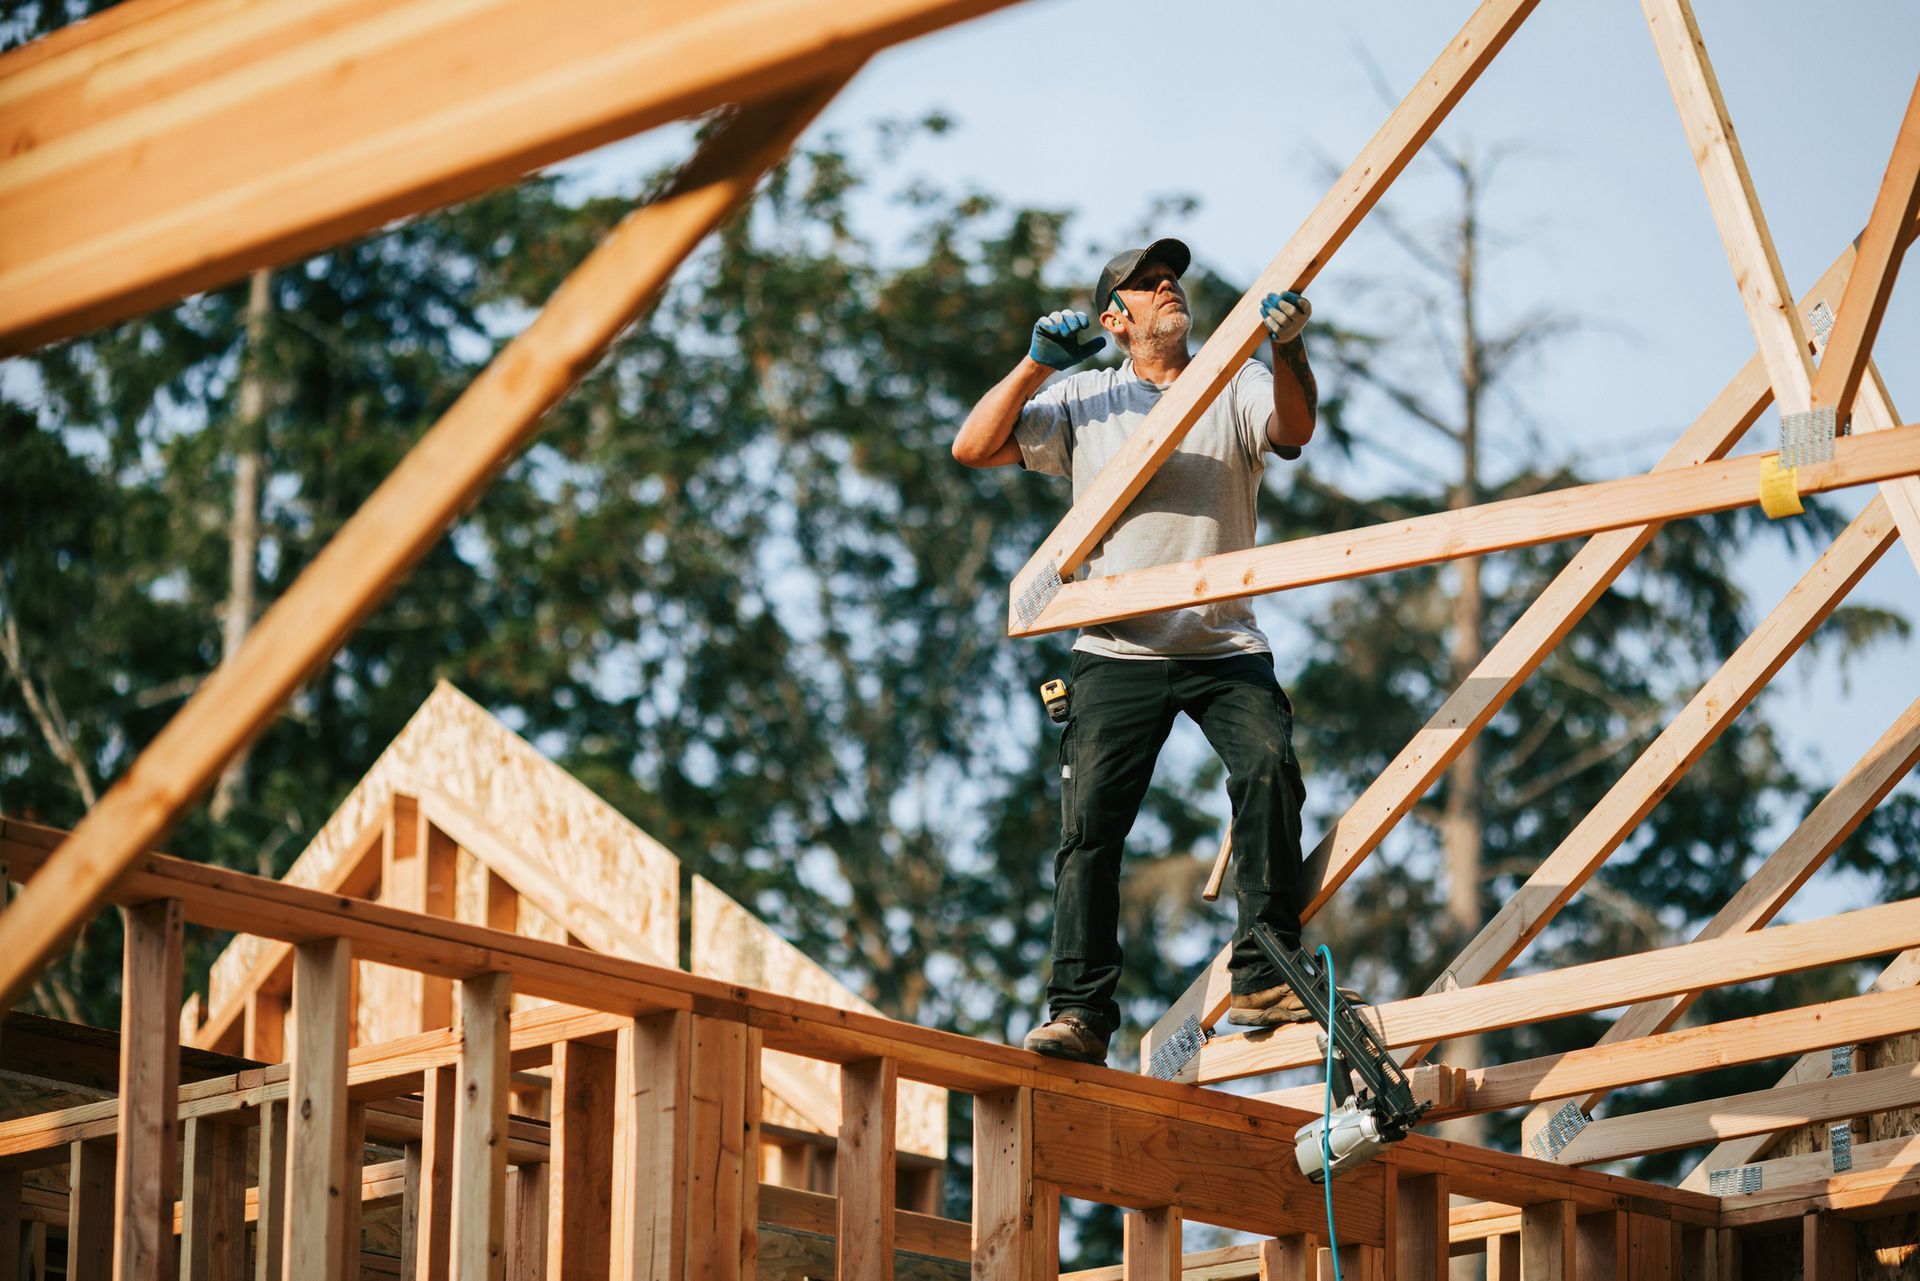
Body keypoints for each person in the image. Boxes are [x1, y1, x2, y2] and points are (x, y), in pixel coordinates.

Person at [952, 238, 1334, 1066]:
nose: (1168, 289)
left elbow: (1294, 428)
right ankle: (1080, 1011)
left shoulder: (1233, 381)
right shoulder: (1085, 399)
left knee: (1268, 767)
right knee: (1090, 827)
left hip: (1221, 641)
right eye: (1147, 285)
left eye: (1172, 280)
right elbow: (973, 447)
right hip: (1115, 645)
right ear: (1114, 320)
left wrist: (1290, 345)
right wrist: (1034, 365)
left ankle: (1265, 972)